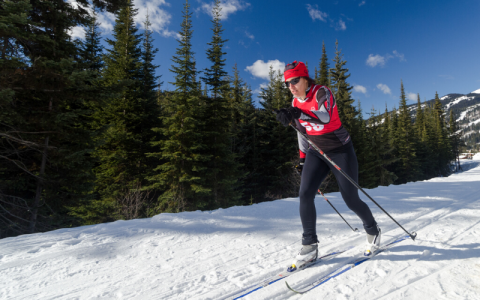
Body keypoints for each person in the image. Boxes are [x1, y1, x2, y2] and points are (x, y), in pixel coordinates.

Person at [274, 61, 381, 270]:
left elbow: (324, 118)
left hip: (340, 149)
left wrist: (297, 114)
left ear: (305, 79)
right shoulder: (295, 103)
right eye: (287, 83)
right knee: (305, 194)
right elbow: (302, 132)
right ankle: (309, 246)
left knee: (350, 199)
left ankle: (373, 230)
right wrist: (303, 159)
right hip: (316, 151)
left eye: (295, 81)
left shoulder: (322, 93)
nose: (291, 86)